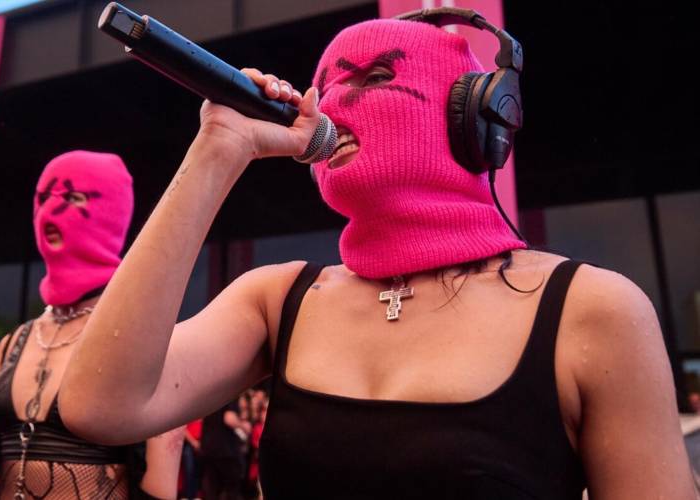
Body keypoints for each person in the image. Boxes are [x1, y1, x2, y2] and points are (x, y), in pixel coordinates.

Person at [59, 13, 696, 499]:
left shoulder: (593, 311)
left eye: (376, 78)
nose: (334, 105)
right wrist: (218, 150)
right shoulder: (278, 299)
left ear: (477, 117)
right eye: (327, 86)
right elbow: (99, 406)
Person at [0, 150, 183, 499]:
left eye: (73, 198)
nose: (50, 212)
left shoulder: (147, 339)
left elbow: (159, 483)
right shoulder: (14, 343)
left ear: (110, 214)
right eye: (43, 198)